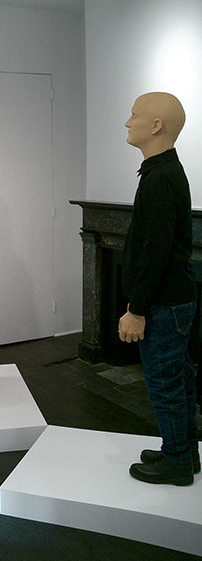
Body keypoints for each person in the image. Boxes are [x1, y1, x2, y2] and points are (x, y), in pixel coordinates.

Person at [119, 92, 200, 486]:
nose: (127, 121)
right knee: (179, 379)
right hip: (174, 301)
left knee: (165, 383)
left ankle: (177, 461)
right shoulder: (162, 172)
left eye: (134, 115)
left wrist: (136, 309)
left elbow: (156, 253)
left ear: (155, 126)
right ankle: (183, 451)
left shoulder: (161, 178)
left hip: (164, 304)